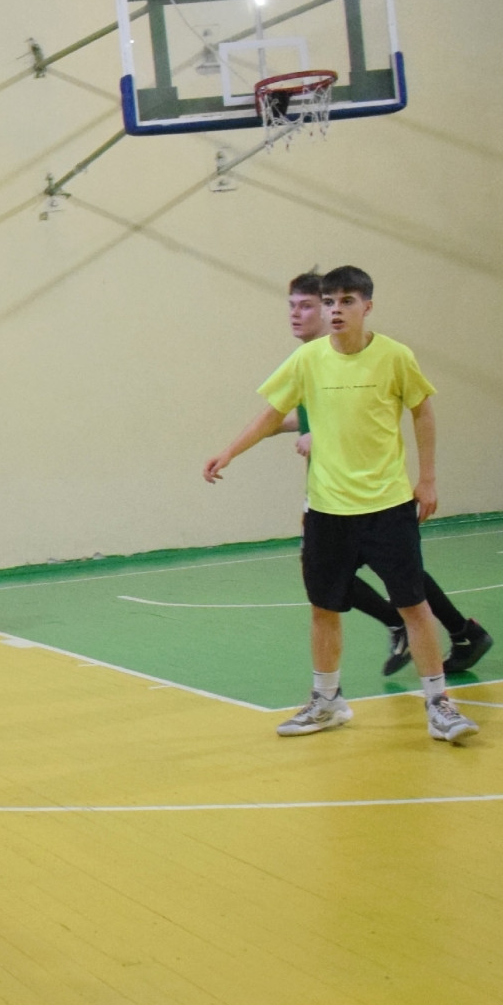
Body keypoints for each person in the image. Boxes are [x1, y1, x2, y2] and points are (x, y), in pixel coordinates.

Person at [203, 267, 479, 743]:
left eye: (347, 301)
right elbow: (271, 414)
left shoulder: (395, 356)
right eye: (329, 301)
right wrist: (229, 451)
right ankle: (327, 701)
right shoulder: (307, 359)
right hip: (328, 512)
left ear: (367, 307)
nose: (336, 310)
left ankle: (439, 706)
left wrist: (428, 479)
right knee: (323, 608)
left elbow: (422, 410)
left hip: (388, 506)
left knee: (413, 606)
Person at [277, 274, 493, 677]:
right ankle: (457, 631)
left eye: (307, 305)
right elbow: (305, 414)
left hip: (369, 488)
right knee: (356, 568)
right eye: (292, 306)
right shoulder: (310, 359)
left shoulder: (358, 355)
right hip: (330, 487)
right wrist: (257, 434)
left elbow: (379, 412)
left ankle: (419, 633)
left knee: (386, 571)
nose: (296, 314)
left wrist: (426, 478)